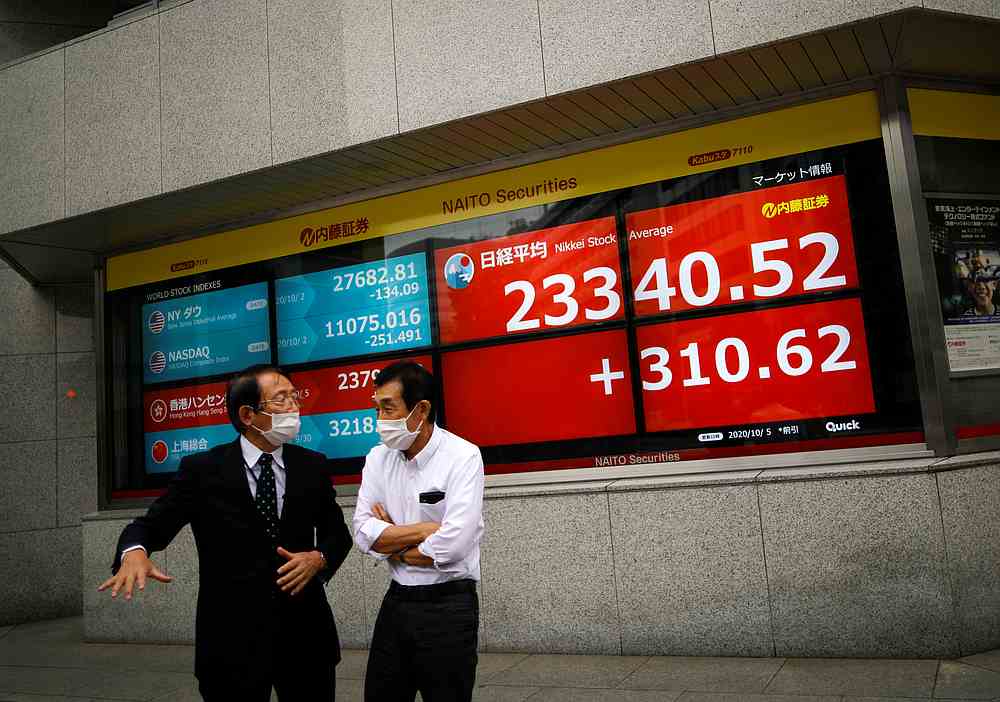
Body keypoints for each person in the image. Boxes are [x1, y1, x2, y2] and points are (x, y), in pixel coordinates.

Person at [97, 365, 353, 701]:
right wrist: (134, 552)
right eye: (281, 399)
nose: (294, 406)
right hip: (231, 644)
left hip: (305, 638)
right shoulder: (201, 471)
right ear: (248, 414)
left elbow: (339, 536)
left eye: (295, 397)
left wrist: (318, 558)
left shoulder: (313, 465)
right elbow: (148, 526)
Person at [353, 361, 485, 702]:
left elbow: (454, 545)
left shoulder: (463, 456)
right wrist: (425, 530)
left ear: (421, 409)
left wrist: (392, 543)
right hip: (396, 603)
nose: (380, 420)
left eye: (388, 408)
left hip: (449, 606)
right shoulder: (377, 459)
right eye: (376, 408)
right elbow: (363, 531)